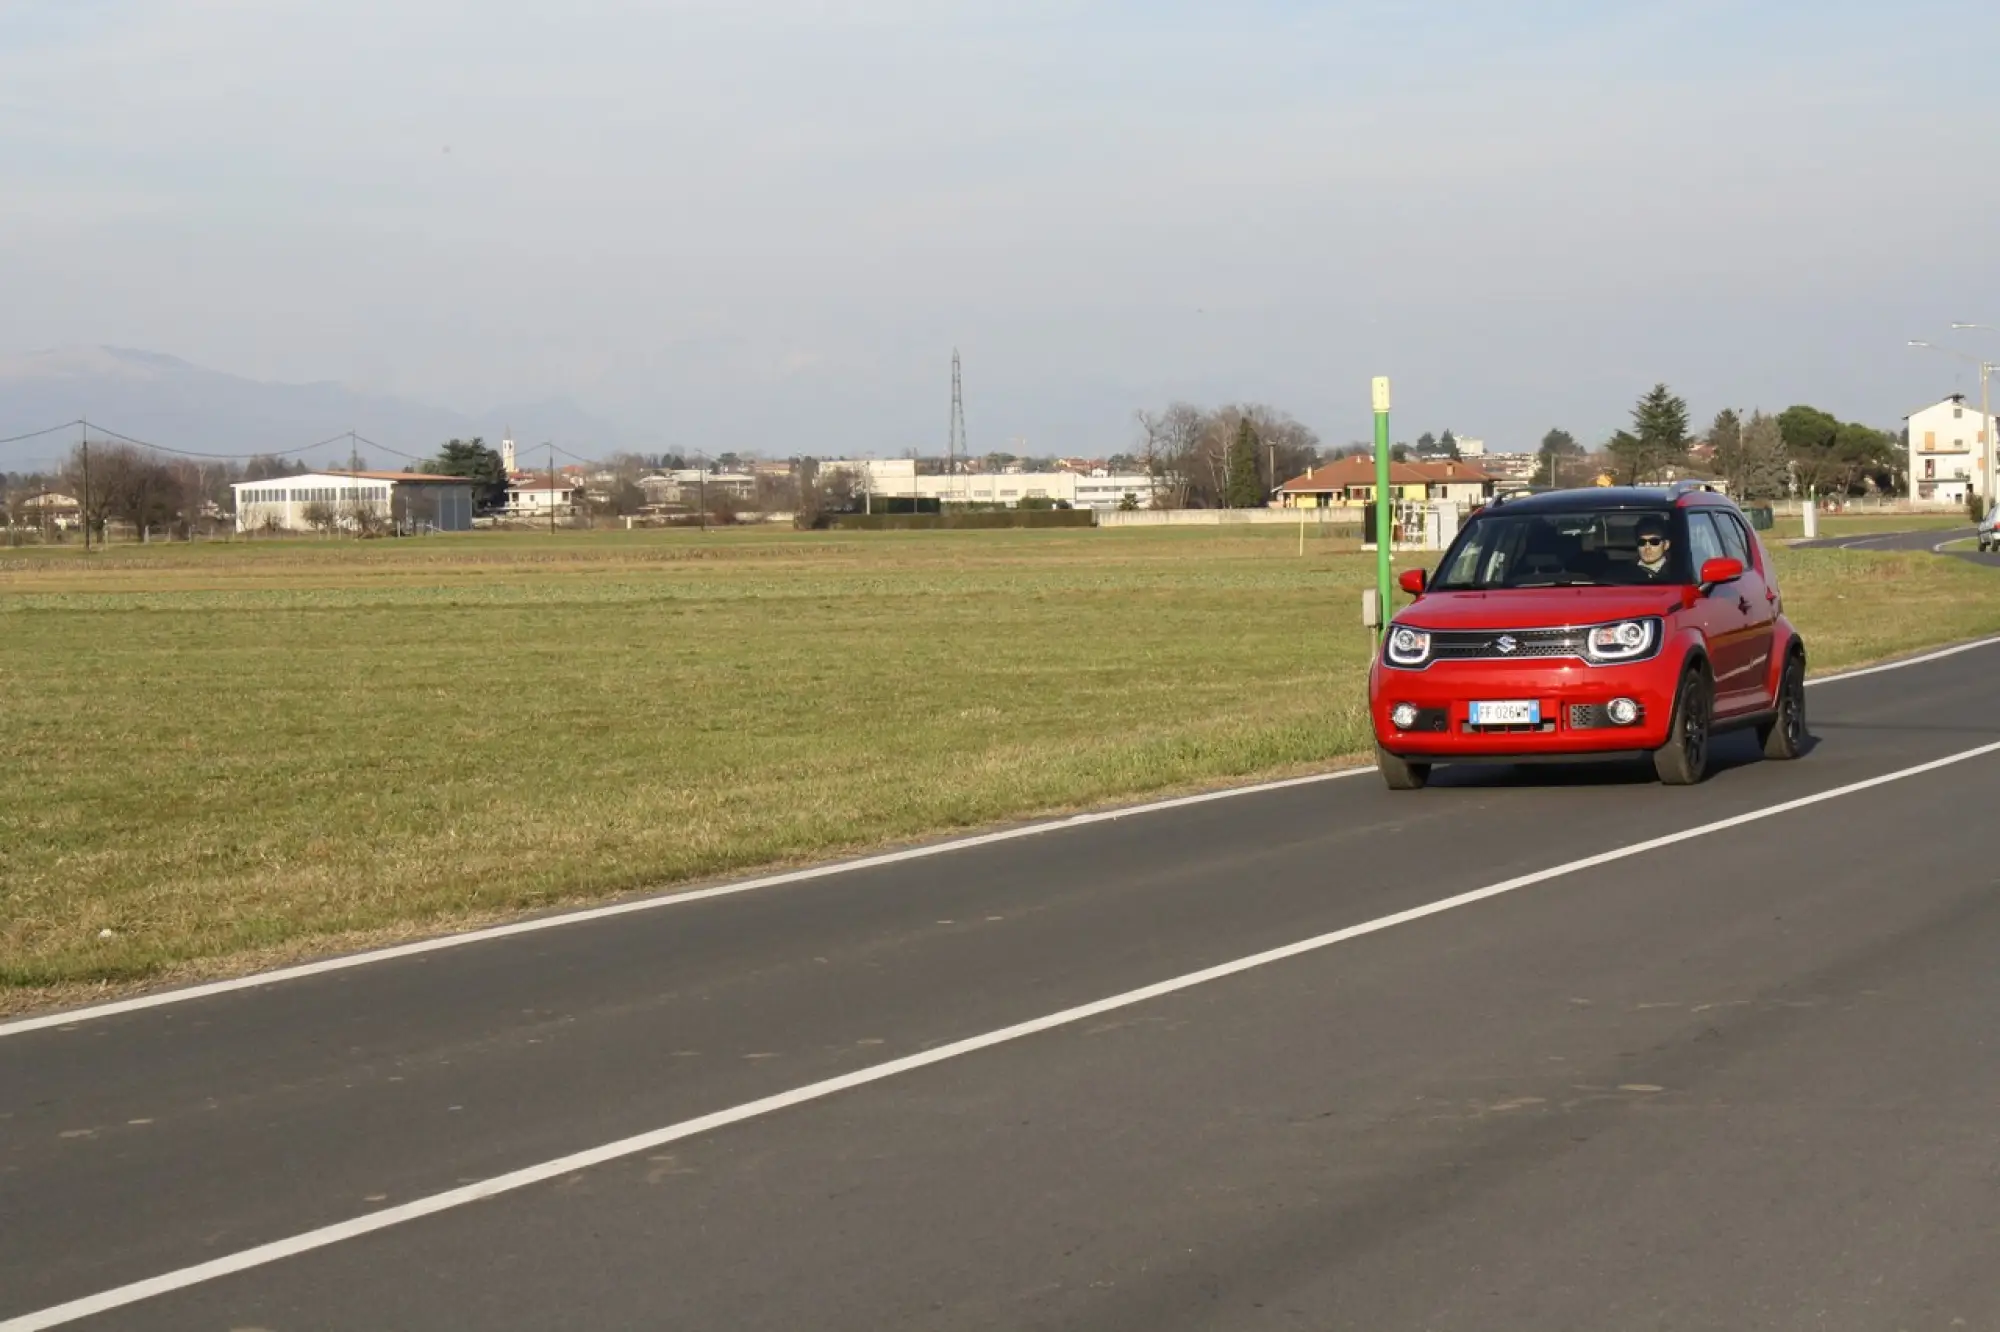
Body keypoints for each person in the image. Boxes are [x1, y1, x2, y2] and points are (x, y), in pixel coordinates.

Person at [1633, 516, 1673, 580]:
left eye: (1654, 542)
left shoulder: (1676, 572)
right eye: (1642, 542)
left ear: (1666, 545)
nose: (1647, 547)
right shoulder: (1626, 571)